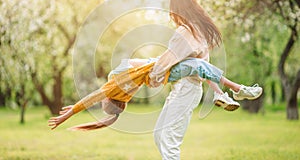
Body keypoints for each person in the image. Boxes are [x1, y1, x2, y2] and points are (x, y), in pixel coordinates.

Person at [147, 0, 262, 160]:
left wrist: (153, 75)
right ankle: (234, 90)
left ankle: (235, 89)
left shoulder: (186, 31)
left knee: (169, 139)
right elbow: (203, 67)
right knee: (160, 136)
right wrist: (218, 91)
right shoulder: (197, 31)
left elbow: (170, 58)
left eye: (172, 11)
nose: (171, 16)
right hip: (185, 89)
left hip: (186, 89)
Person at [48, 57, 262, 131]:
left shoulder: (122, 95)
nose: (102, 99)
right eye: (104, 101)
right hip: (163, 68)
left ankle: (219, 94)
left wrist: (109, 117)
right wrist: (70, 113)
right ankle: (238, 89)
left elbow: (114, 109)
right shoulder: (116, 87)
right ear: (110, 98)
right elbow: (91, 98)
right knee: (200, 65)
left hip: (160, 64)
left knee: (200, 64)